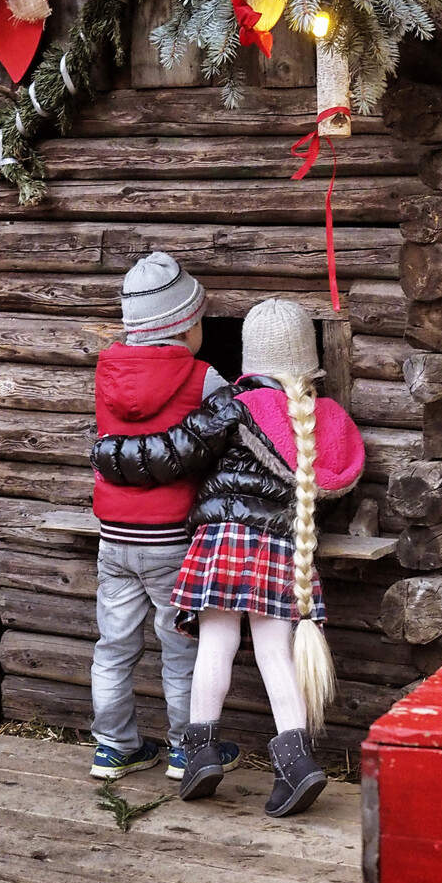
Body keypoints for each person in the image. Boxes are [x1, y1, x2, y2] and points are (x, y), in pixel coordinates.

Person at [91, 298, 364, 818]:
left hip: (223, 544)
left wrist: (107, 453)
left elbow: (172, 453)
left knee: (214, 645)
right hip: (287, 548)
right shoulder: (325, 419)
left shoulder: (234, 406)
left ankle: (200, 757)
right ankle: (297, 761)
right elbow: (340, 479)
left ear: (249, 359)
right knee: (276, 655)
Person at [89, 253, 240, 783]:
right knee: (182, 648)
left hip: (114, 538)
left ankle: (113, 747)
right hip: (174, 539)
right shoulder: (204, 378)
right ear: (185, 324)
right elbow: (234, 440)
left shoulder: (107, 371)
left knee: (114, 645)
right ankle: (184, 750)